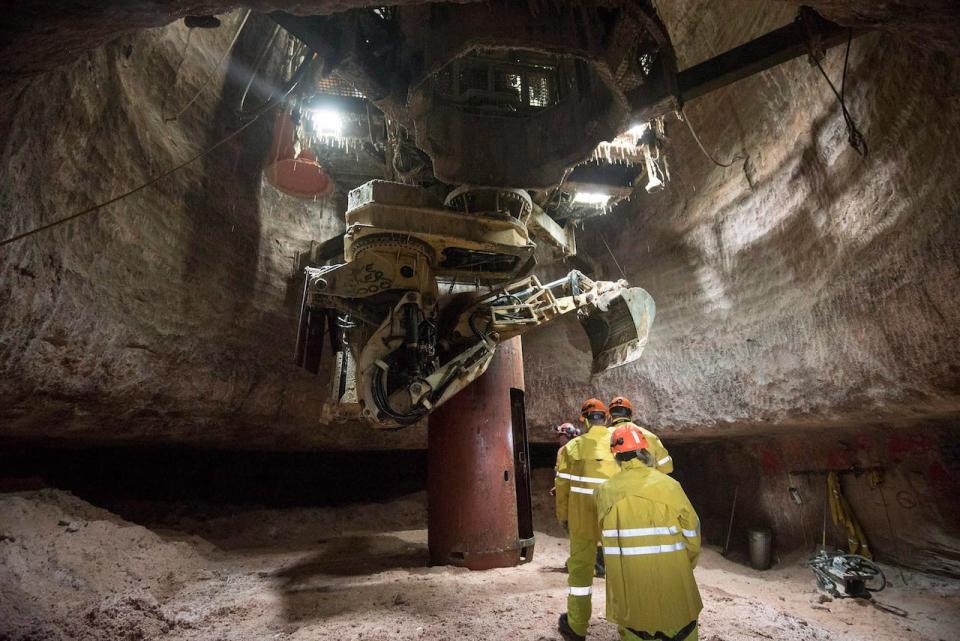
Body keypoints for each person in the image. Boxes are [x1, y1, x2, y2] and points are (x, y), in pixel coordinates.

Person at [595, 424, 703, 641]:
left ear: (616, 457)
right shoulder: (669, 485)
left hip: (631, 596)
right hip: (674, 586)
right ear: (645, 451)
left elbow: (604, 538)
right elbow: (692, 533)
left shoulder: (604, 492)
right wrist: (686, 563)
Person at [555, 399, 619, 641]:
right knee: (618, 570)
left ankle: (577, 625)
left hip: (581, 518)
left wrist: (563, 516)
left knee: (581, 572)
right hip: (611, 516)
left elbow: (561, 486)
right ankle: (625, 625)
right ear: (606, 418)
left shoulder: (573, 448)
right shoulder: (616, 444)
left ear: (583, 419)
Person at [608, 396, 674, 474]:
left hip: (617, 484)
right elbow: (667, 468)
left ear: (610, 416)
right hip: (648, 483)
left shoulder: (604, 436)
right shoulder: (650, 435)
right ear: (630, 414)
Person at [551, 423, 582, 497]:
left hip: (571, 489)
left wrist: (559, 488)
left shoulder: (565, 450)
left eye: (561, 436)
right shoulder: (579, 448)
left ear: (568, 436)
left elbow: (563, 471)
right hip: (574, 489)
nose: (559, 439)